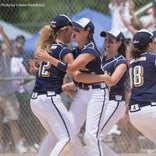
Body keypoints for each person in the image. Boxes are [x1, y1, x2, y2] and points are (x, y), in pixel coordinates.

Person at [35, 17, 109, 156]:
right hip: (82, 92)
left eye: (78, 29)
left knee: (90, 137)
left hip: (97, 93)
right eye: (73, 28)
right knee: (69, 132)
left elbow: (72, 68)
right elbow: (77, 77)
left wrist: (49, 58)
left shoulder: (90, 49)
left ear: (87, 32)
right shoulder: (76, 50)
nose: (73, 31)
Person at [29, 14, 84, 156]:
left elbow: (46, 73)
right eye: (71, 29)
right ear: (64, 30)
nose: (73, 32)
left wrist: (37, 69)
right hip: (49, 99)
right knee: (68, 138)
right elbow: (76, 74)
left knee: (56, 136)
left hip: (36, 100)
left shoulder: (46, 48)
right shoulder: (64, 51)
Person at [69, 28, 128, 156]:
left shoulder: (121, 61)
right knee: (91, 138)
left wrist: (99, 78)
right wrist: (66, 86)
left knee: (92, 137)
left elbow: (112, 81)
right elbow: (89, 79)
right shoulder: (101, 59)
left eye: (111, 40)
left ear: (119, 43)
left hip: (114, 102)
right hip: (101, 101)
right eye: (106, 40)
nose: (107, 43)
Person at [0, 25, 27, 153]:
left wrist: (2, 33)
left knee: (13, 120)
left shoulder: (5, 57)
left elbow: (9, 46)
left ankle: (18, 144)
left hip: (7, 94)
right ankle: (1, 144)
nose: (1, 49)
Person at [128, 29, 156, 143]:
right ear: (149, 45)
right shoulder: (152, 58)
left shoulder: (132, 62)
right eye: (153, 42)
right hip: (151, 109)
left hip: (135, 115)